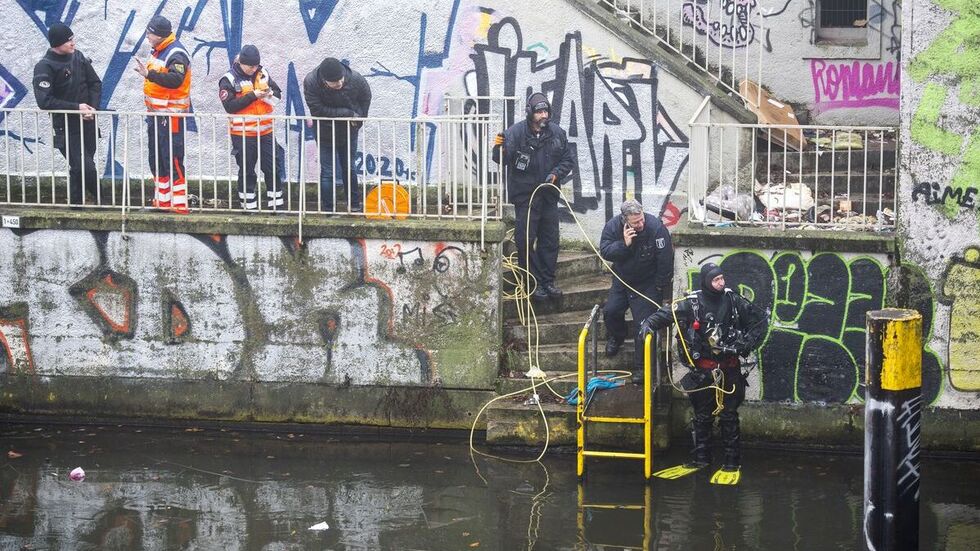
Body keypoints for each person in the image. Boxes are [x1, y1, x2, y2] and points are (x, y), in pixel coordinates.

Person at [639, 262, 768, 484]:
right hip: (704, 371)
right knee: (701, 416)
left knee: (729, 415)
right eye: (716, 280)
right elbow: (667, 313)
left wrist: (746, 343)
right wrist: (648, 324)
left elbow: (760, 322)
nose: (722, 283)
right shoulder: (692, 303)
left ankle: (731, 461)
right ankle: (701, 459)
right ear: (707, 281)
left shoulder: (734, 300)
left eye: (722, 278)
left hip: (729, 369)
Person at [492, 92, 574, 300]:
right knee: (525, 240)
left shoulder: (557, 133)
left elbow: (567, 160)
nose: (543, 115)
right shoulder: (515, 133)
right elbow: (500, 160)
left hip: (548, 195)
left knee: (550, 240)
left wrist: (555, 174)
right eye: (539, 112)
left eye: (545, 111)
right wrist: (498, 148)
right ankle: (532, 283)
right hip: (525, 197)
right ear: (530, 113)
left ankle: (548, 281)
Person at [599, 199, 673, 383]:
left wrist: (660, 286)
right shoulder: (613, 227)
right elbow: (605, 251)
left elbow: (665, 259)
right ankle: (617, 336)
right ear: (625, 221)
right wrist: (624, 244)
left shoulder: (655, 228)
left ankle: (641, 367)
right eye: (635, 222)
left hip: (647, 282)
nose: (640, 224)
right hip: (622, 279)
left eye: (641, 220)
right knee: (611, 311)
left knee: (644, 325)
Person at [32, 23, 102, 206]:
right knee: (86, 167)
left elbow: (95, 83)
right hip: (66, 127)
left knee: (80, 167)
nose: (73, 43)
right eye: (68, 40)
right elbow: (44, 101)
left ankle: (75, 204)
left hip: (88, 123)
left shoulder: (78, 57)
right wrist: (76, 107)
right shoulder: (44, 67)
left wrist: (91, 109)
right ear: (57, 43)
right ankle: (105, 200)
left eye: (72, 38)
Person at [134, 15, 191, 214]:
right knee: (157, 158)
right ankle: (163, 202)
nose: (147, 37)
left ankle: (179, 204)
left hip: (171, 116)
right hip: (157, 115)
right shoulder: (159, 51)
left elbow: (176, 79)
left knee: (172, 157)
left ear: (158, 35)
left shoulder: (176, 52)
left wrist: (150, 75)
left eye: (149, 33)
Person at [218, 45, 286, 211]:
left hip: (266, 132)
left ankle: (276, 205)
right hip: (243, 134)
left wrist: (270, 95)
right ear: (241, 63)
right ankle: (249, 206)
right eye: (250, 66)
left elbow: (278, 93)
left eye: (256, 66)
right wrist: (252, 96)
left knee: (272, 168)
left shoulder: (263, 73)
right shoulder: (229, 79)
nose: (254, 69)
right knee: (247, 170)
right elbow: (230, 106)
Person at [303, 57, 371, 213]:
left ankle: (354, 205)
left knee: (350, 168)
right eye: (334, 83)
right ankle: (328, 209)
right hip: (325, 131)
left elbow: (366, 97)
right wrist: (348, 114)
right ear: (324, 81)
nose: (339, 84)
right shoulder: (311, 82)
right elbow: (317, 110)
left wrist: (359, 120)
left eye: (341, 80)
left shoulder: (355, 78)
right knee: (327, 171)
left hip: (349, 131)